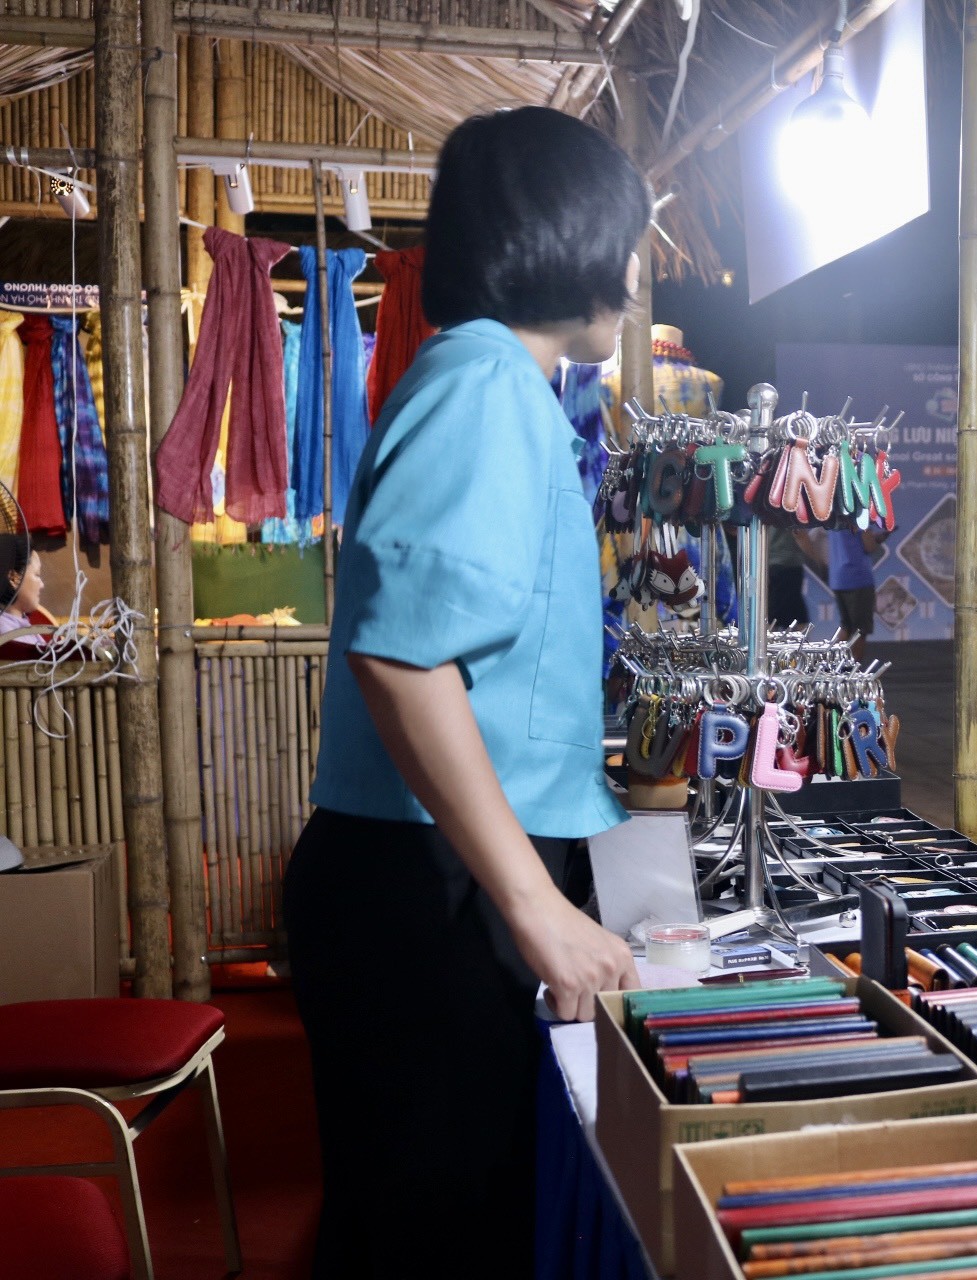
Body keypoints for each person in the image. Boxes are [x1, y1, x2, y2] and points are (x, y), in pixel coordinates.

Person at [284, 106, 650, 1276]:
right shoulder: (489, 381)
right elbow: (402, 654)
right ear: (565, 235)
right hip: (428, 888)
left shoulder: (495, 380)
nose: (635, 280)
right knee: (435, 1235)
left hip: (433, 872)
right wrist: (535, 908)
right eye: (626, 243)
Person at [822, 524, 888, 660]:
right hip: (858, 577)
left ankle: (831, 663)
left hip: (838, 577)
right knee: (860, 631)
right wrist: (877, 539)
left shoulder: (833, 515)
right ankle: (852, 670)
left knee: (846, 626)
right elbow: (869, 546)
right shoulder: (860, 516)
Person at [0, 539, 51, 659]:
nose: (42, 584)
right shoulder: (8, 637)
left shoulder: (20, 626)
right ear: (14, 578)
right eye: (37, 575)